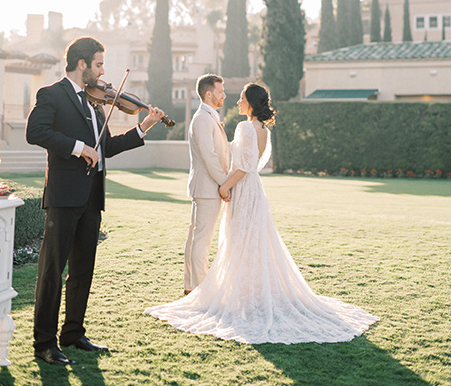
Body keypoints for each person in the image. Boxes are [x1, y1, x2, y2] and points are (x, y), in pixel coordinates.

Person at [145, 83, 379, 344]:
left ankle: (240, 296)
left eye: (242, 98)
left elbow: (244, 166)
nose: (237, 102)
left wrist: (224, 185)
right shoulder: (263, 129)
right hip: (254, 190)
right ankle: (249, 294)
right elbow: (251, 162)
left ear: (251, 103)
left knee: (240, 242)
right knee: (252, 242)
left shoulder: (245, 127)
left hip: (243, 189)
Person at [26, 36, 164, 366]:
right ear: (82, 64)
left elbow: (107, 147)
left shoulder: (96, 103)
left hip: (92, 197)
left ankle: (72, 333)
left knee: (83, 270)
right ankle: (44, 342)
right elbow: (36, 132)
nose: (103, 72)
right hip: (64, 196)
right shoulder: (52, 94)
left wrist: (142, 127)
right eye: (99, 64)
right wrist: (78, 147)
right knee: (52, 271)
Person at [183, 74, 230, 295]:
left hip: (207, 188)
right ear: (208, 94)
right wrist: (225, 183)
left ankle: (191, 288)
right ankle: (200, 292)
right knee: (202, 241)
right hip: (207, 188)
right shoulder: (202, 118)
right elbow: (209, 156)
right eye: (220, 91)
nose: (224, 94)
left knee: (196, 238)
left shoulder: (208, 116)